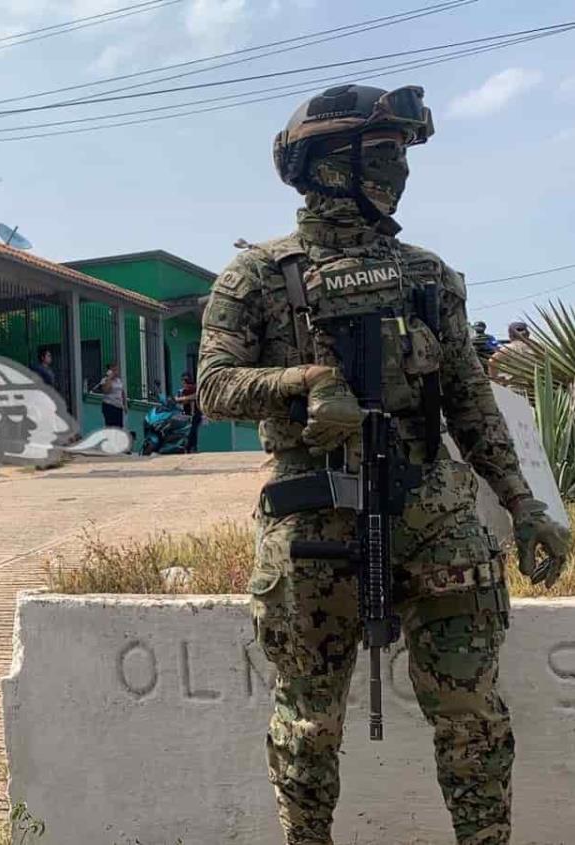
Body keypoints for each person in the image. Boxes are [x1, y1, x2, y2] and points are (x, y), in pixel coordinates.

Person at [197, 84, 569, 845]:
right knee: (307, 725)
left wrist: (524, 502)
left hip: (431, 518)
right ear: (332, 165)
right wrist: (302, 385)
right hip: (314, 523)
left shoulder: (427, 275)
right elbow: (213, 385)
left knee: (472, 719)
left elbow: (468, 401)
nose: (400, 171)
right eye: (386, 154)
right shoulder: (258, 277)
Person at [173, 372, 203, 453]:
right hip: (184, 415)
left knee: (193, 430)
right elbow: (176, 400)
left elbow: (195, 396)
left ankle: (191, 447)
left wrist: (185, 398)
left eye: (187, 382)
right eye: (184, 382)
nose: (186, 384)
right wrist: (183, 399)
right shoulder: (181, 391)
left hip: (196, 414)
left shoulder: (196, 389)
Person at [98, 362, 125, 428]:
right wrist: (109, 378)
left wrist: (125, 404)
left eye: (116, 370)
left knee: (119, 427)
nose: (116, 372)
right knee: (111, 426)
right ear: (109, 371)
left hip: (118, 406)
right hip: (109, 405)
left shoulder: (119, 381)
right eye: (113, 370)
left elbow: (122, 392)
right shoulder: (105, 380)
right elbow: (106, 390)